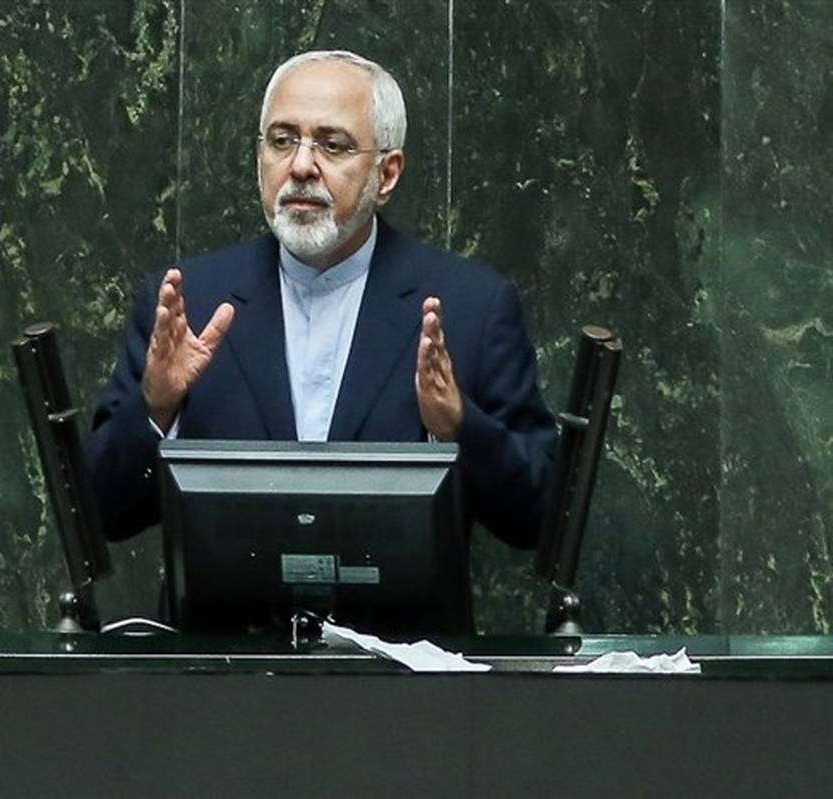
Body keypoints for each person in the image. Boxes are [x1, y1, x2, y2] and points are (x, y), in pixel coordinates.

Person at [85, 50, 557, 633]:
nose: (301, 166)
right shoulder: (187, 302)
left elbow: (539, 520)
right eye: (282, 141)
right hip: (221, 674)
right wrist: (155, 409)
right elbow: (101, 514)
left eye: (332, 146)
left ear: (387, 174)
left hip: (404, 678)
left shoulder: (470, 308)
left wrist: (460, 427)